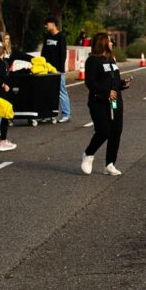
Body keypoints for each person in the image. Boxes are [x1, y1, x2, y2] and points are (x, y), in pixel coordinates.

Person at [82, 33, 129, 176]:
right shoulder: (92, 61)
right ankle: (88, 154)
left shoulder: (111, 59)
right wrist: (106, 91)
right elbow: (90, 82)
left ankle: (109, 164)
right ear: (102, 43)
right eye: (109, 41)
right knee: (103, 131)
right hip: (99, 101)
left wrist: (121, 84)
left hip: (115, 102)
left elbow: (113, 79)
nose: (112, 43)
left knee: (116, 131)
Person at [41, 17, 71, 123]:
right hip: (46, 69)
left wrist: (59, 69)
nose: (46, 26)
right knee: (48, 92)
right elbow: (43, 53)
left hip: (58, 70)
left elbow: (63, 55)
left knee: (61, 91)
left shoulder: (61, 37)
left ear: (53, 24)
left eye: (47, 24)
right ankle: (48, 114)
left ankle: (66, 113)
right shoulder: (47, 36)